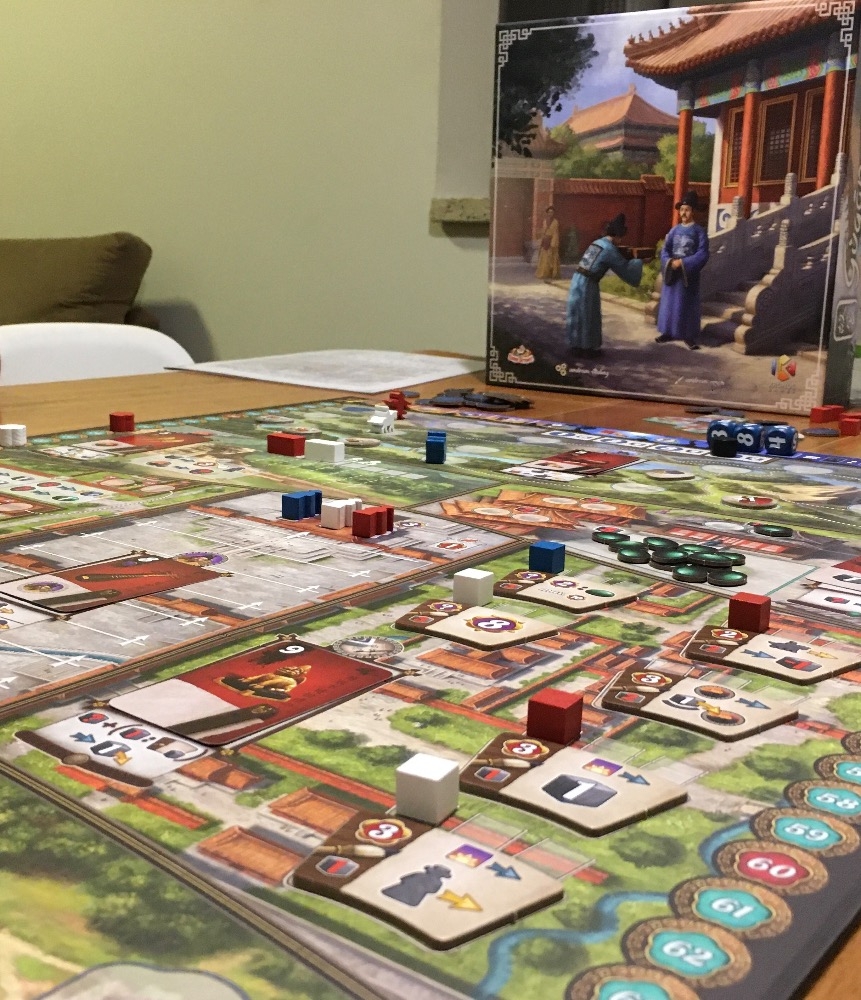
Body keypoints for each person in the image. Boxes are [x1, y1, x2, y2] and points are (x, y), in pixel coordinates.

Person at [566, 213, 643, 358]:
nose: (621, 241)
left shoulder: (597, 242)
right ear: (617, 236)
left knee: (578, 313)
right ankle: (588, 348)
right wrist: (638, 261)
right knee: (589, 314)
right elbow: (624, 268)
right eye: (621, 238)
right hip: (588, 283)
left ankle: (576, 345)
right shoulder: (610, 249)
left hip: (577, 279)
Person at [655, 190, 710, 351]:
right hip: (673, 272)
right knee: (669, 302)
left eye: (687, 210)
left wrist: (684, 263)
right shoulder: (674, 230)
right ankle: (668, 332)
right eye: (682, 210)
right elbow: (665, 250)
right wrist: (670, 262)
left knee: (686, 303)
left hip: (688, 273)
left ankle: (688, 335)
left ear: (693, 212)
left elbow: (703, 253)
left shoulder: (699, 231)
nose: (684, 213)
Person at [535, 206, 560, 281]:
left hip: (552, 241)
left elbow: (555, 233)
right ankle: (543, 273)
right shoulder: (545, 221)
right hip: (545, 240)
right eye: (549, 212)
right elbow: (543, 231)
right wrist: (542, 239)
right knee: (544, 258)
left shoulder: (555, 222)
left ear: (554, 213)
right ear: (547, 213)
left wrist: (553, 243)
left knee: (552, 258)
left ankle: (553, 273)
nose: (550, 213)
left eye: (552, 212)